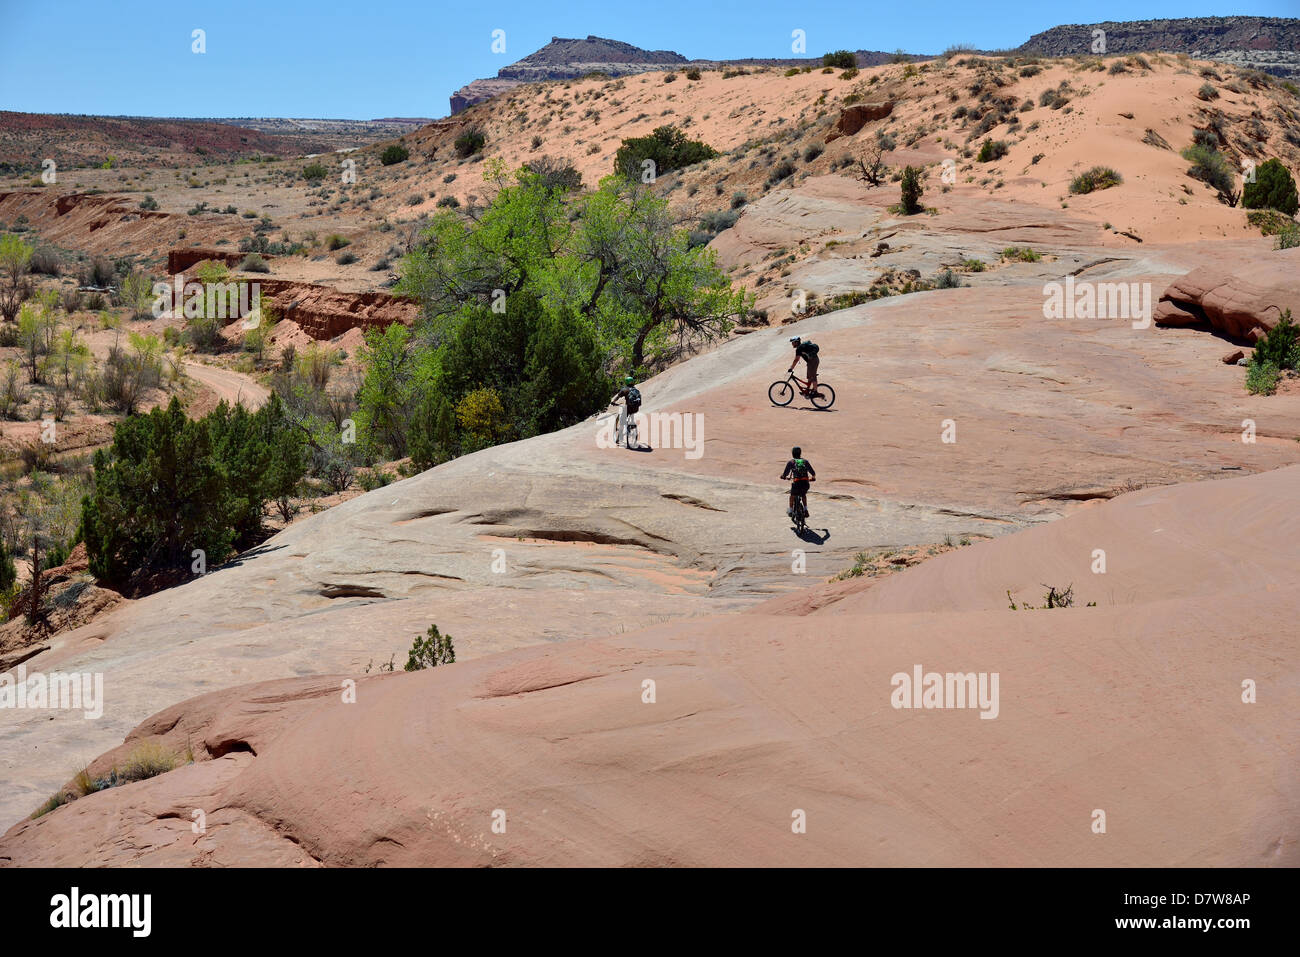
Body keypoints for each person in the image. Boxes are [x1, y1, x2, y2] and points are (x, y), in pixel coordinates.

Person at [781, 446, 816, 519]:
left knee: (792, 496)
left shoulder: (791, 462)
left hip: (796, 484)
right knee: (803, 495)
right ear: (800, 453)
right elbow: (813, 473)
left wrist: (783, 476)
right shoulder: (805, 461)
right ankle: (806, 509)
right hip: (805, 484)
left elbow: (786, 473)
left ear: (792, 454)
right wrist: (813, 478)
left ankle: (790, 511)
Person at [609, 376, 642, 447]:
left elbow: (618, 396)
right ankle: (632, 425)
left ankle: (618, 438)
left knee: (622, 421)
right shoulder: (636, 390)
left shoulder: (624, 390)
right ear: (633, 382)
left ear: (626, 382)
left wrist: (613, 402)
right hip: (636, 408)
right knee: (631, 415)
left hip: (628, 408)